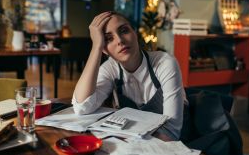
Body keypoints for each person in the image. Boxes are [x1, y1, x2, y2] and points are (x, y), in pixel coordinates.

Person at [72, 11, 186, 141]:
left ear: (135, 33)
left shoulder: (164, 63)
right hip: (136, 141)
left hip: (175, 142)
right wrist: (96, 47)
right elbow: (82, 107)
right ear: (104, 50)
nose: (120, 41)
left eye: (124, 31)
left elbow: (171, 131)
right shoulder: (110, 69)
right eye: (109, 39)